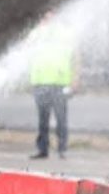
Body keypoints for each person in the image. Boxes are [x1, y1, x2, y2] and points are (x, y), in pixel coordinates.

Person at [29, 14, 77, 159]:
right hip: (40, 82)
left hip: (60, 83)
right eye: (45, 18)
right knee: (42, 119)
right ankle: (43, 149)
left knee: (61, 118)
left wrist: (75, 79)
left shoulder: (65, 34)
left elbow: (75, 56)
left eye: (51, 18)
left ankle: (62, 149)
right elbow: (26, 49)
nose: (48, 21)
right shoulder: (36, 34)